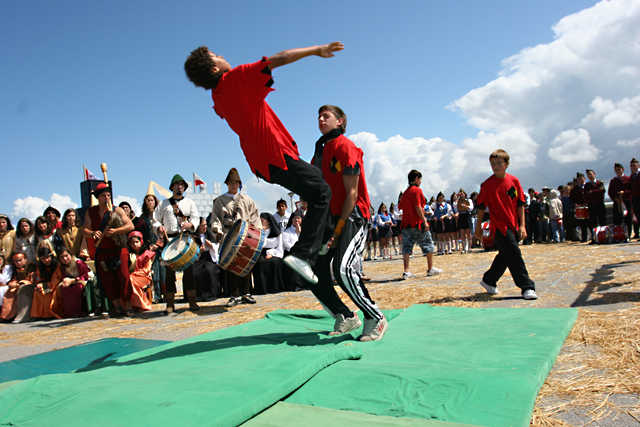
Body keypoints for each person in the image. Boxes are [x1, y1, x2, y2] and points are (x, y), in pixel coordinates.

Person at [184, 42, 345, 284]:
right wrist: (317, 49)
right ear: (214, 69)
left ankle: (324, 242)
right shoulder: (235, 78)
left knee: (316, 189)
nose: (222, 54)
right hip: (275, 154)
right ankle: (304, 254)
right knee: (323, 190)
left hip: (261, 163)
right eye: (216, 56)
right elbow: (278, 58)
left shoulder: (217, 97)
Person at [311, 104, 387, 341]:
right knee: (308, 270)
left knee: (342, 269)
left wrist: (339, 229)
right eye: (319, 117)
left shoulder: (346, 147)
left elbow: (352, 196)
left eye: (327, 116)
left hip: (352, 215)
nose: (321, 119)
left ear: (340, 121)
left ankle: (374, 316)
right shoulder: (320, 151)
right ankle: (344, 315)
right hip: (329, 218)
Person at [473, 149, 537, 300]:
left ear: (507, 164)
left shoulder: (513, 181)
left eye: (499, 163)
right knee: (514, 255)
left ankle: (489, 280)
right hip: (499, 227)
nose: (495, 166)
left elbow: (520, 203)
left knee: (506, 254)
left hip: (513, 224)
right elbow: (481, 207)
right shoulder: (488, 185)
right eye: (492, 163)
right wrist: (478, 228)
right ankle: (527, 287)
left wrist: (522, 225)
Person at [210, 168, 261, 307]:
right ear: (227, 183)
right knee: (232, 265)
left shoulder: (247, 199)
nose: (234, 185)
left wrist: (256, 233)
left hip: (245, 235)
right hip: (228, 235)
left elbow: (255, 216)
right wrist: (218, 231)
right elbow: (215, 219)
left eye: (236, 182)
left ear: (239, 184)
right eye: (231, 182)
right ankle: (235, 295)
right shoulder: (220, 201)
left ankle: (246, 293)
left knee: (245, 263)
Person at [82, 182, 135, 317]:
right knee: (107, 280)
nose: (107, 198)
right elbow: (84, 230)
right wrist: (93, 233)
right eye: (104, 195)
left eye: (108, 195)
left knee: (124, 278)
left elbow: (130, 226)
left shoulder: (116, 210)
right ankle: (117, 307)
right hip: (103, 251)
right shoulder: (91, 211)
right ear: (98, 197)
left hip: (119, 250)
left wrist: (115, 231)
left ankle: (128, 306)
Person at [155, 174, 200, 313]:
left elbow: (196, 218)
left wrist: (191, 224)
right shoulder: (163, 204)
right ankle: (170, 304)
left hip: (185, 239)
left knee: (189, 272)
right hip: (170, 241)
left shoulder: (190, 203)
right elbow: (155, 220)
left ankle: (192, 302)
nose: (179, 187)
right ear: (172, 187)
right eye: (177, 184)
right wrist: (159, 228)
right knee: (169, 274)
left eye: (182, 185)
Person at [399, 170, 442, 279]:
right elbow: (418, 206)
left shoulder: (405, 193)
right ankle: (430, 268)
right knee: (428, 244)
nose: (421, 182)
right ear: (416, 178)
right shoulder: (417, 190)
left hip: (406, 223)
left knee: (407, 247)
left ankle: (406, 271)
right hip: (417, 223)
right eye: (420, 179)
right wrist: (424, 221)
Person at [136, 186, 166, 303]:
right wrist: (147, 246)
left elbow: (165, 231)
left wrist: (159, 244)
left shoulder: (161, 216)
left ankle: (166, 294)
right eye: (148, 200)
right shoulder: (142, 219)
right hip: (148, 249)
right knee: (154, 273)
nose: (150, 202)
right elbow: (139, 234)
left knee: (163, 271)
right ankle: (157, 296)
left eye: (152, 200)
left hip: (161, 248)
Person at [252, 213, 286, 295]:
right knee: (259, 263)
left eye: (262, 220)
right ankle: (261, 289)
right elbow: (259, 245)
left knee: (274, 262)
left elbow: (280, 247)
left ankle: (274, 288)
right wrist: (261, 234)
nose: (261, 222)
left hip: (274, 252)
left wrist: (272, 254)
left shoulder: (277, 233)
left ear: (268, 222)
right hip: (261, 251)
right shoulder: (259, 231)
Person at [192, 218, 224, 301]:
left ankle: (211, 294)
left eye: (206, 225)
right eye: (203, 225)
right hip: (198, 258)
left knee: (209, 270)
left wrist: (211, 246)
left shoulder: (209, 234)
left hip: (209, 256)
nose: (205, 227)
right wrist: (199, 251)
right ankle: (199, 296)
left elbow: (217, 245)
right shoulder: (194, 236)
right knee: (195, 272)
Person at [0, 252, 36, 322]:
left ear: (25, 259)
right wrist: (13, 283)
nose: (18, 263)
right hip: (18, 286)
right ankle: (7, 316)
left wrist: (17, 285)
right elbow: (14, 278)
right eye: (16, 261)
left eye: (20, 260)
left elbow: (32, 280)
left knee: (22, 289)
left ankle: (22, 316)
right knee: (10, 292)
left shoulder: (31, 267)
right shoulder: (14, 268)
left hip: (28, 286)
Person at [31, 243, 63, 320]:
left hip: (55, 283)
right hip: (46, 282)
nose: (46, 260)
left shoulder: (56, 264)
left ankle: (52, 312)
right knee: (38, 292)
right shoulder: (40, 266)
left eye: (48, 257)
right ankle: (40, 314)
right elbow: (40, 278)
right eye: (43, 258)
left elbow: (57, 277)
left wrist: (49, 285)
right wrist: (39, 285)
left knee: (51, 292)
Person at [58, 246, 91, 318]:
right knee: (64, 288)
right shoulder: (63, 266)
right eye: (62, 257)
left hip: (83, 280)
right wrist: (65, 279)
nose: (65, 259)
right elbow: (63, 275)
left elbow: (85, 276)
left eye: (66, 256)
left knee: (78, 287)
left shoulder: (78, 262)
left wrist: (73, 280)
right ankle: (70, 312)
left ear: (70, 254)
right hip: (72, 281)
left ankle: (79, 310)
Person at [126, 232, 153, 312]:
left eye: (136, 242)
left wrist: (135, 274)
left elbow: (146, 269)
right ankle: (134, 304)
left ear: (141, 241)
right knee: (128, 280)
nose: (135, 244)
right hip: (132, 276)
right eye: (132, 242)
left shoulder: (147, 254)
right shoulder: (128, 254)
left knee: (130, 279)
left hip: (144, 277)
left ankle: (141, 304)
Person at [608, 163, 632, 236]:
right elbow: (610, 192)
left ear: (623, 170)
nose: (618, 171)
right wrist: (615, 199)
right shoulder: (613, 180)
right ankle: (618, 234)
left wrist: (624, 192)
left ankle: (628, 234)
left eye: (619, 169)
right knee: (617, 219)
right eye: (616, 170)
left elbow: (631, 190)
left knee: (628, 219)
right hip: (617, 202)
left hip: (626, 202)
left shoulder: (628, 179)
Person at [584, 169, 606, 234]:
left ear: (594, 174)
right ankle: (594, 237)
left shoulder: (600, 183)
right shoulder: (587, 185)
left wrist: (592, 192)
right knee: (593, 222)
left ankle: (604, 235)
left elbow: (602, 191)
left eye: (591, 174)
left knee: (602, 220)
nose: (590, 176)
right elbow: (586, 194)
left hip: (600, 204)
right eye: (588, 175)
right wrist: (596, 192)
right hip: (591, 205)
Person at [570, 173, 589, 242]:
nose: (580, 180)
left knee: (590, 223)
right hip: (580, 207)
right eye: (578, 179)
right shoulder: (575, 189)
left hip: (588, 206)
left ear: (584, 178)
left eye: (581, 178)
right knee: (583, 224)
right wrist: (575, 204)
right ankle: (584, 238)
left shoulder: (588, 186)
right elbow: (571, 199)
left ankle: (593, 237)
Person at [630, 158, 640, 239]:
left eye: (634, 165)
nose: (632, 167)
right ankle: (637, 234)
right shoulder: (632, 176)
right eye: (631, 165)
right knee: (637, 217)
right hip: (635, 199)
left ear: (638, 165)